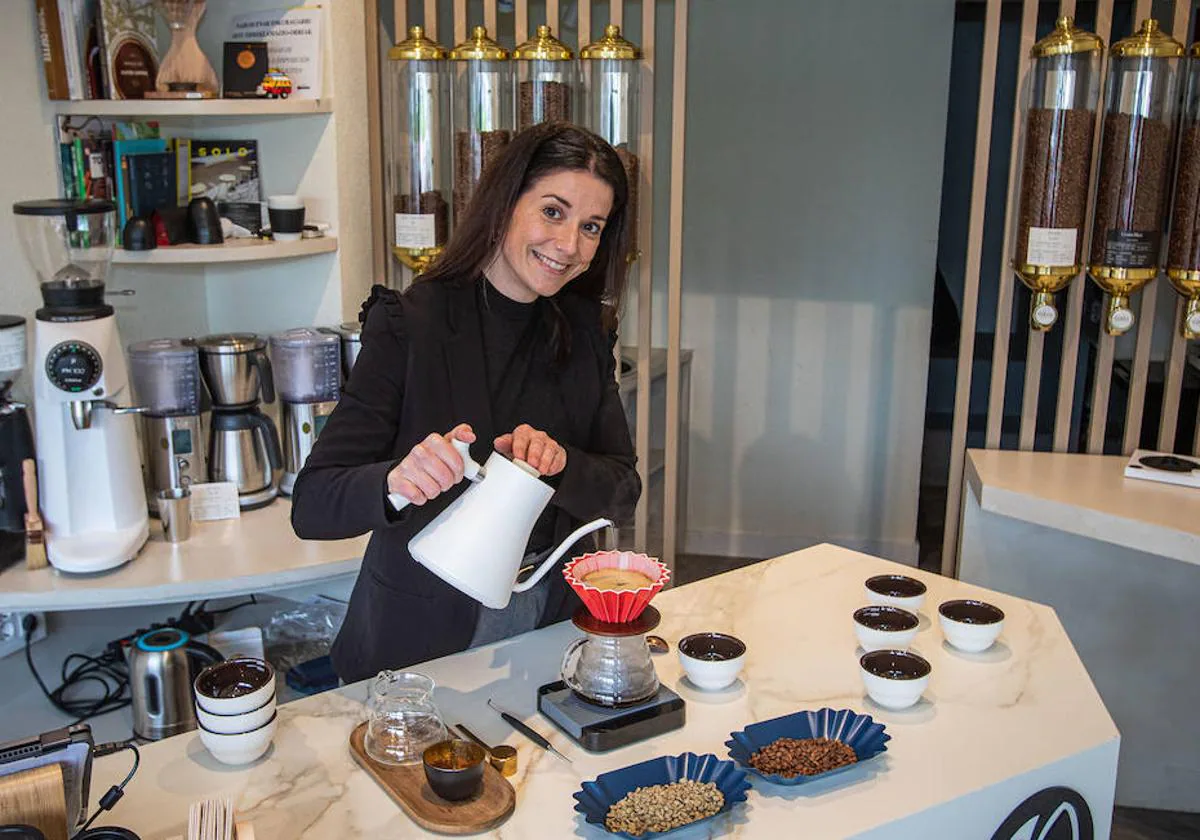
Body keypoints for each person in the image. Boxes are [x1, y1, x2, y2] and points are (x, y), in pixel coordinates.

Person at [291, 123, 642, 684]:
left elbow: (622, 493)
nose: (570, 245)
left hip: (549, 624)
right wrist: (397, 481)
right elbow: (312, 505)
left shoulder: (584, 331)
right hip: (417, 638)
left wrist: (561, 464)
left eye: (591, 226)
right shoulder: (411, 323)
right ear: (505, 202)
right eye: (553, 212)